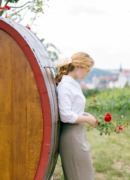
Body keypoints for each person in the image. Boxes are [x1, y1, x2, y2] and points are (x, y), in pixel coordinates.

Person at [54, 52, 96, 180]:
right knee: (80, 176)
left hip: (77, 133)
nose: (87, 74)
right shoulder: (65, 86)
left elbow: (72, 110)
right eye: (87, 70)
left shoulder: (72, 83)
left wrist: (84, 114)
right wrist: (88, 119)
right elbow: (65, 115)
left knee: (84, 175)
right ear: (78, 67)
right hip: (71, 136)